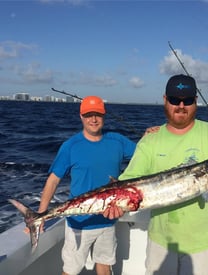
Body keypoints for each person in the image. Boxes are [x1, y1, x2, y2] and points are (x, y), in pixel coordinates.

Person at [114, 74, 208, 275]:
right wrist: (115, 203)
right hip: (160, 242)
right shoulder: (150, 140)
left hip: (204, 244)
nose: (181, 106)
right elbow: (128, 181)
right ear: (165, 100)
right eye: (175, 100)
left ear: (196, 102)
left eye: (187, 100)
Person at [37, 95, 136, 275]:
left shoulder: (118, 141)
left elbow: (143, 155)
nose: (93, 119)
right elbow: (53, 181)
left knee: (105, 268)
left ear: (104, 116)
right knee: (70, 271)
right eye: (88, 114)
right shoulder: (70, 146)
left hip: (107, 218)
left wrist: (152, 134)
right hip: (78, 222)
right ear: (81, 116)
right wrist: (41, 215)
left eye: (97, 114)